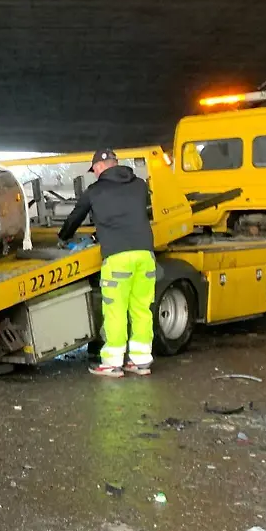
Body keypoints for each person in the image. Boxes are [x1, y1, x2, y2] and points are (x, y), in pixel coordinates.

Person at [56, 148, 156, 378]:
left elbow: (75, 217)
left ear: (100, 167)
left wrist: (63, 237)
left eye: (94, 170)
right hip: (145, 255)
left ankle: (112, 363)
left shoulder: (95, 191)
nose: (94, 174)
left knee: (115, 311)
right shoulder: (140, 185)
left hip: (118, 258)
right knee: (142, 309)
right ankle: (141, 361)